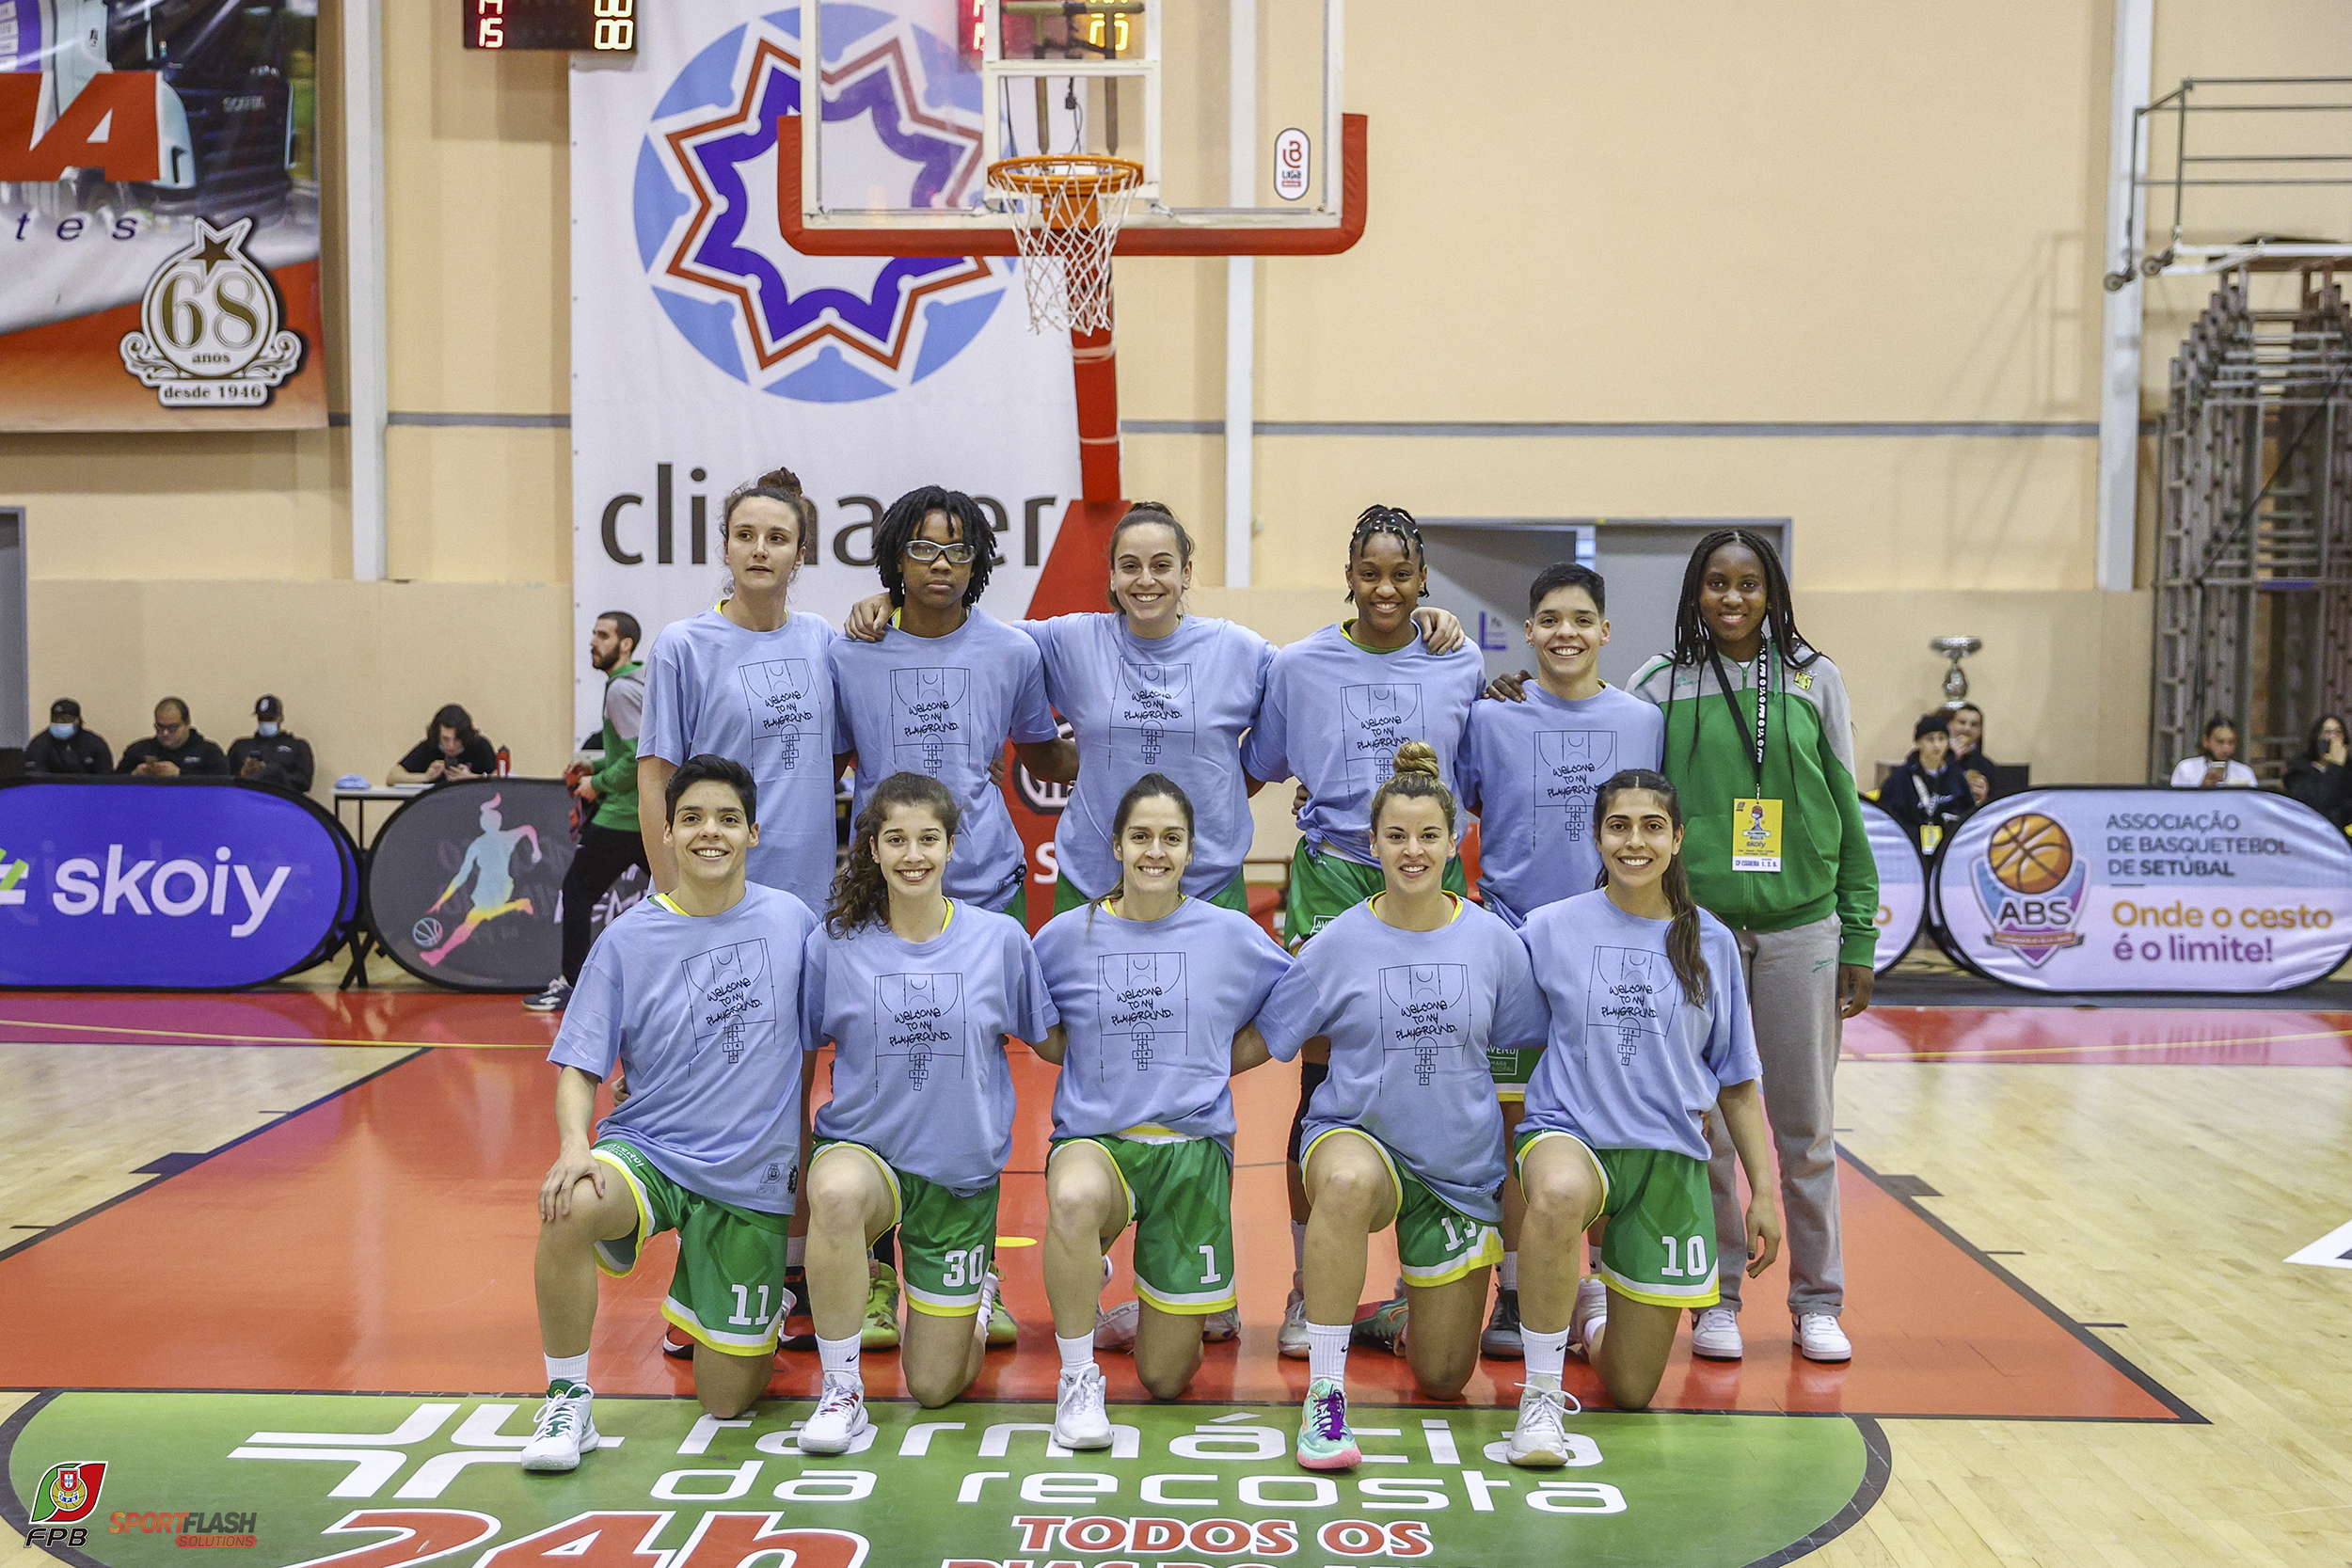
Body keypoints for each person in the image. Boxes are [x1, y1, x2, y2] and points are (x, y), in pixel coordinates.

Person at [845, 500, 1462, 917]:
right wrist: (893, 600)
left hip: (1206, 877)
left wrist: (1417, 621)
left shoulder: (1243, 652)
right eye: (1131, 566)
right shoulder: (1066, 640)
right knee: (1087, 1056)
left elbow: (1322, 694)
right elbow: (964, 634)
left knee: (1205, 1058)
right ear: (1110, 575)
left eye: (1162, 565)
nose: (1147, 580)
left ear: (1187, 571)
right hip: (1094, 875)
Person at [1250, 744, 1549, 1470]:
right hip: (1357, 1138)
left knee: (1445, 1376)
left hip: (1457, 1169)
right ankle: (1326, 1393)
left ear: (1455, 842)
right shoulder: (1336, 942)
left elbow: (1524, 1053)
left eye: (1427, 836)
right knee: (1346, 1183)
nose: (1412, 850)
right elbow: (1267, 1037)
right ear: (1373, 840)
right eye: (1396, 835)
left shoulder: (1496, 945)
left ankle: (1396, 1315)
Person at [521, 755, 821, 1471]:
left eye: (725, 819)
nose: (708, 832)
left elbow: (840, 1030)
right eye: (691, 818)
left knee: (725, 1399)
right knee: (569, 1204)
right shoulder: (629, 938)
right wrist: (573, 1145)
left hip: (750, 1179)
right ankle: (567, 1397)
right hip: (650, 1151)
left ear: (753, 832)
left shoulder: (794, 922)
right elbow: (579, 1064)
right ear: (667, 832)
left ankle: (727, 1305)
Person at [1241, 504, 1486, 1358]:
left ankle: (1431, 1269)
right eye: (1370, 572)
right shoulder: (1300, 664)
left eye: (1402, 574)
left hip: (1429, 880)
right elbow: (1256, 767)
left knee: (1435, 1067)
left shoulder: (1460, 660)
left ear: (1424, 580)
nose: (1386, 588)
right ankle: (1314, 1288)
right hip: (1332, 881)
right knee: (1320, 1082)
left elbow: (1480, 778)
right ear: (1349, 575)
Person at [1627, 528, 1874, 1366]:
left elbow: (1845, 807)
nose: (1733, 600)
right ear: (1695, 592)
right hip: (1697, 933)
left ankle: (1817, 1300)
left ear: (1773, 595)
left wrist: (1860, 928)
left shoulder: (1814, 679)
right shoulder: (1659, 684)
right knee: (1711, 1130)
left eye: (1750, 585)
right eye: (1716, 584)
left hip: (1801, 924)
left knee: (1804, 1127)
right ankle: (1719, 1298)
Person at [1506, 771, 1779, 1459]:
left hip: (1669, 1155)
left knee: (1631, 1387)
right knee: (1560, 1193)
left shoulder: (1710, 943)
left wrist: (1764, 1192)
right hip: (1571, 1132)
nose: (1635, 840)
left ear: (1677, 838)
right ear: (1598, 837)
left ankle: (1592, 1309)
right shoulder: (1548, 928)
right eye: (1619, 825)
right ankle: (1540, 1397)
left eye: (1652, 826)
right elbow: (1491, 1019)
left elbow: (1739, 1085)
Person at [796, 772, 1055, 1449]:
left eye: (928, 839)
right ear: (873, 849)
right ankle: (841, 1388)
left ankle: (974, 1303)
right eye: (897, 839)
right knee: (835, 1193)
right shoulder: (834, 944)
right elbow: (788, 1049)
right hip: (867, 1152)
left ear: (950, 846)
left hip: (958, 1175)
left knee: (936, 1387)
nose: (914, 854)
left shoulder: (999, 941)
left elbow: (1052, 1038)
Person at [1030, 774, 1291, 1443]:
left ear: (1190, 850)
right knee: (1074, 1198)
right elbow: (1040, 1027)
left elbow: (1295, 1005)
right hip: (1100, 1142)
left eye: (1170, 838)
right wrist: (1087, 1054)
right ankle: (1078, 1378)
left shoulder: (1231, 936)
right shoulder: (1063, 937)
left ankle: (1125, 1294)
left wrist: (1213, 1059)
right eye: (1141, 836)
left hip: (1192, 1154)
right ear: (1115, 845)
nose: (1155, 850)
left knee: (1167, 1378)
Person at [1457, 562, 1662, 1357]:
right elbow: (1469, 802)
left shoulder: (1642, 722)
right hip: (1515, 951)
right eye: (1549, 618)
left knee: (1609, 1121)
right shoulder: (1492, 718)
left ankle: (1601, 1294)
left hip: (1612, 956)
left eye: (1581, 619)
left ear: (1605, 632)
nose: (1565, 632)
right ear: (1530, 631)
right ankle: (1513, 1293)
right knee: (1517, 1130)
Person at [831, 485, 1075, 920]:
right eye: (924, 548)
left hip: (988, 888)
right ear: (898, 558)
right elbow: (831, 763)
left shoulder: (1013, 651)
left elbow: (1043, 756)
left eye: (958, 550)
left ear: (977, 560)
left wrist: (1122, 750)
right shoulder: (849, 655)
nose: (941, 562)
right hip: (881, 887)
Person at [639, 467, 843, 902]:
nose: (760, 551)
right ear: (726, 548)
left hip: (809, 889)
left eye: (777, 538)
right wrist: (675, 895)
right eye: (745, 535)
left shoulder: (820, 637)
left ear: (800, 554)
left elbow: (850, 748)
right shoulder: (683, 646)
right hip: (713, 889)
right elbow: (655, 781)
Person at [528, 612, 650, 1013]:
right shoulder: (637, 683)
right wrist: (594, 767)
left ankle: (573, 984)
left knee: (577, 891)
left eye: (603, 635)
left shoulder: (620, 690)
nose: (593, 643)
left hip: (622, 817)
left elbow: (636, 759)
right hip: (644, 815)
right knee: (679, 896)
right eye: (593, 634)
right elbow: (628, 751)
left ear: (626, 644)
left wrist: (594, 785)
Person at [419, 792, 543, 967]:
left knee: (474, 920)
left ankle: (439, 954)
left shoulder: (505, 838)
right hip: (484, 887)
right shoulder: (478, 844)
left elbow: (528, 829)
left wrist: (536, 850)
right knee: (473, 921)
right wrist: (442, 900)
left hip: (499, 885)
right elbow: (462, 875)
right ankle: (439, 954)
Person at [1877, 712, 1973, 853]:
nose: (1937, 744)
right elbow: (1886, 817)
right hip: (1910, 849)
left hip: (1948, 850)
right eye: (1930, 739)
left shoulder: (1956, 776)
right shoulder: (1900, 779)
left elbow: (1968, 811)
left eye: (1942, 738)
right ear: (1918, 742)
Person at [117, 698, 230, 777]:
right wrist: (133, 775)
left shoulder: (209, 752)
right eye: (160, 727)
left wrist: (180, 775)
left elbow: (221, 787)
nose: (165, 733)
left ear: (187, 723)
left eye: (172, 728)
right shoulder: (138, 750)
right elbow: (111, 784)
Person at [391, 705, 499, 785]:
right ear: (437, 735)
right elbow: (393, 777)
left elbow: (501, 778)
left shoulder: (479, 745)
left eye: (457, 739)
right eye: (445, 739)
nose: (451, 746)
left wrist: (470, 778)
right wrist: (425, 777)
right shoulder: (429, 747)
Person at [228, 696, 314, 793]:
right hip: (247, 799)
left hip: (282, 800)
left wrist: (272, 773)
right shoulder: (240, 746)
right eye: (262, 718)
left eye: (270, 719)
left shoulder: (298, 746)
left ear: (281, 718)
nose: (265, 722)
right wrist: (242, 775)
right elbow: (224, 778)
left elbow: (304, 783)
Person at [2282, 714, 2352, 828]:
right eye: (2326, 732)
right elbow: (2318, 803)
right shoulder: (2298, 771)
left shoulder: (2348, 771)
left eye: (2338, 733)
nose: (2332, 738)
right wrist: (2334, 767)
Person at [25, 699, 110, 774]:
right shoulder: (40, 743)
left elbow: (105, 778)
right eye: (56, 719)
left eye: (66, 719)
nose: (60, 723)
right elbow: (35, 777)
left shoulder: (94, 743)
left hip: (88, 790)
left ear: (77, 721)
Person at [2170, 716, 2257, 788]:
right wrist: (2202, 788)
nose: (2226, 748)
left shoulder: (2244, 772)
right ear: (2206, 741)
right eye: (2220, 742)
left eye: (2231, 742)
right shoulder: (2186, 769)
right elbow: (2177, 804)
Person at [1946, 702, 1999, 806]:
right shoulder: (1934, 759)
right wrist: (1951, 759)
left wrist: (1983, 800)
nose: (1967, 728)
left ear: (1980, 731)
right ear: (1950, 726)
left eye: (1974, 725)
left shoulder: (1988, 767)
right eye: (1962, 722)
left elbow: (1995, 806)